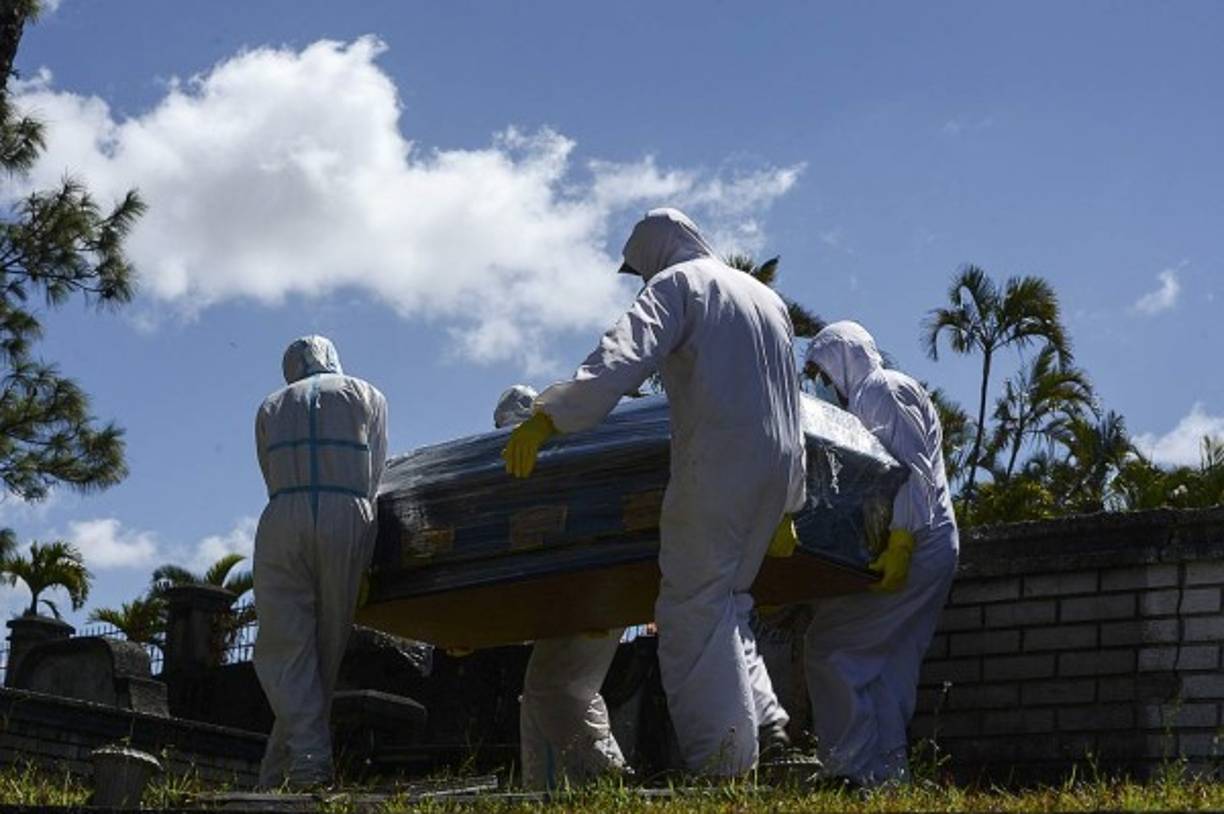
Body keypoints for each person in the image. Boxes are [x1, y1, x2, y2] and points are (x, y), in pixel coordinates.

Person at [501, 208, 805, 776]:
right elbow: (787, 397)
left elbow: (623, 353)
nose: (641, 279)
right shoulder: (766, 299)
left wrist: (551, 417)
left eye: (639, 269)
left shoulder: (679, 284)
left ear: (653, 252)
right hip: (774, 466)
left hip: (716, 460)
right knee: (728, 603)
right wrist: (789, 502)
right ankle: (771, 728)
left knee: (690, 609)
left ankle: (726, 767)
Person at [802, 321, 958, 787]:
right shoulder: (871, 396)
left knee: (830, 647)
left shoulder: (881, 390)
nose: (818, 384)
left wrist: (901, 541)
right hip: (926, 543)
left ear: (840, 361)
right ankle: (885, 779)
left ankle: (848, 768)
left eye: (820, 372)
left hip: (916, 543)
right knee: (886, 669)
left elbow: (913, 472)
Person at [252, 335, 388, 789]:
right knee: (325, 648)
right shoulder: (367, 394)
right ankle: (295, 766)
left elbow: (268, 471)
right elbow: (377, 472)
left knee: (286, 648)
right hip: (348, 512)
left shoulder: (270, 405)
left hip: (283, 515)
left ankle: (296, 765)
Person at [494, 385, 629, 790]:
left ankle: (610, 774)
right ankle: (549, 791)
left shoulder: (557, 467)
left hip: (590, 592)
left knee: (551, 690)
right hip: (591, 592)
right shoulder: (554, 466)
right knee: (561, 694)